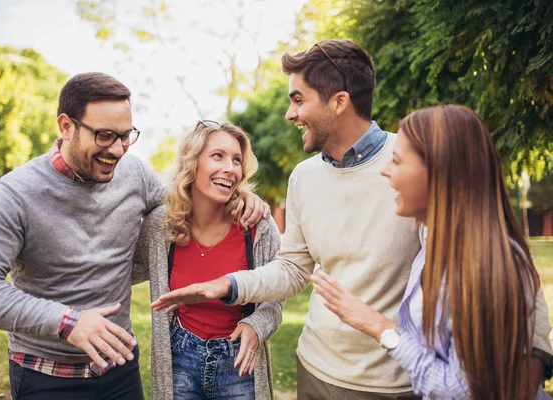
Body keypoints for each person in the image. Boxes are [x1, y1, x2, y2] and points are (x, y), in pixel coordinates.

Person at [150, 40, 553, 399]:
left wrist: (535, 353)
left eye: (298, 99)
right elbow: (293, 268)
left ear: (339, 102)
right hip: (317, 369)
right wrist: (230, 284)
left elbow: (496, 256)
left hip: (398, 381)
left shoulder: (411, 166)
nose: (290, 113)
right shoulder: (304, 177)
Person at [0, 72, 269, 400]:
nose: (118, 150)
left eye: (125, 136)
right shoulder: (16, 193)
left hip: (120, 370)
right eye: (105, 136)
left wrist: (237, 195)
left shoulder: (133, 174)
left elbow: (186, 209)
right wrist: (67, 321)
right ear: (65, 126)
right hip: (45, 375)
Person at [311, 104, 552, 399]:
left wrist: (380, 328)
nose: (385, 170)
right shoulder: (435, 231)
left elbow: (461, 390)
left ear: (440, 171)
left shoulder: (479, 268)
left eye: (397, 161)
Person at [132, 120, 282, 400]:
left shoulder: (256, 226)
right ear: (192, 163)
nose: (230, 168)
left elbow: (277, 292)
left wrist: (257, 324)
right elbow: (119, 268)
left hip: (240, 363)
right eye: (218, 156)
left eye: (237, 160)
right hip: (180, 360)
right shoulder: (161, 227)